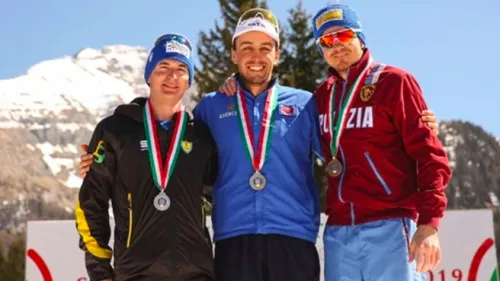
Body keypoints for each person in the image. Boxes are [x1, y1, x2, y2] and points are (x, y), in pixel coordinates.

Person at [81, 8, 322, 281]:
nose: (256, 57)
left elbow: (339, 152)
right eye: (163, 67)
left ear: (277, 54)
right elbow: (97, 199)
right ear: (233, 54)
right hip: (228, 244)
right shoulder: (209, 109)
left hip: (286, 242)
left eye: (265, 48)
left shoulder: (304, 104)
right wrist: (100, 162)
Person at [311, 4, 451, 281]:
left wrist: (429, 223)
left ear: (360, 38)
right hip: (339, 231)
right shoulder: (319, 99)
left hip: (391, 225)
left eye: (343, 35)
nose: (336, 45)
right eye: (327, 40)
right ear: (321, 50)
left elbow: (430, 156)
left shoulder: (394, 82)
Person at [75, 33, 217, 281]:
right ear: (149, 75)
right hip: (135, 273)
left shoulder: (202, 136)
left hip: (197, 274)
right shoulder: (115, 130)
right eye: (163, 67)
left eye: (181, 69)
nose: (172, 76)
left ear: (189, 80)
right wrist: (100, 272)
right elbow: (91, 204)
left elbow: (222, 194)